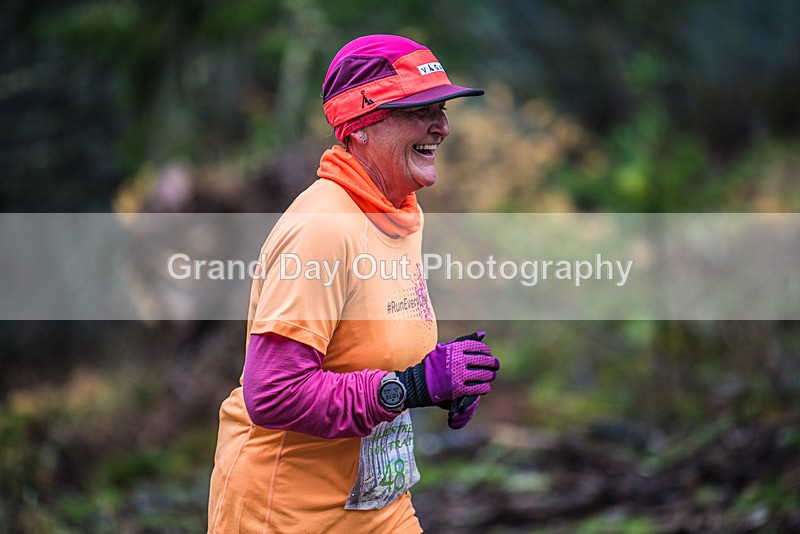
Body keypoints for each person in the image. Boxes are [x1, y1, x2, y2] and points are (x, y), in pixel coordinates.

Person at [207, 34, 500, 533]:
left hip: (379, 510)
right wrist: (409, 387)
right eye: (419, 109)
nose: (442, 126)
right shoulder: (322, 228)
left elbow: (364, 351)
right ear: (361, 125)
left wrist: (439, 379)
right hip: (284, 517)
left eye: (442, 108)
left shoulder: (399, 212)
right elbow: (272, 393)